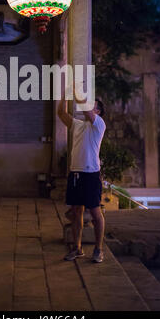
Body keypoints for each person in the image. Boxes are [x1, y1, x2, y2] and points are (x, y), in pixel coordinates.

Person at [57, 89, 106, 263]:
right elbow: (61, 113)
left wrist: (76, 89)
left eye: (93, 104)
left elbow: (85, 107)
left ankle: (98, 249)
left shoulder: (99, 124)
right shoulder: (78, 125)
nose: (89, 105)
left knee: (95, 212)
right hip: (76, 173)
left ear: (97, 111)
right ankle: (77, 248)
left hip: (91, 174)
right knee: (77, 211)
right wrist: (65, 94)